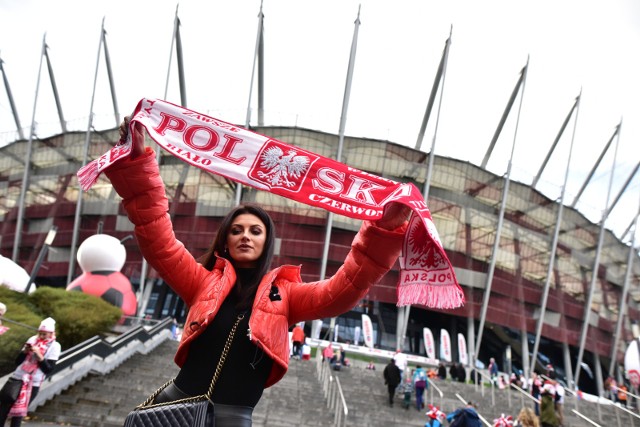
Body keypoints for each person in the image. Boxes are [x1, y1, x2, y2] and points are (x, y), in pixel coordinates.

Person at [105, 116, 410, 426]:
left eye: (255, 230)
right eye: (236, 230)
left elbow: (343, 288)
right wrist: (135, 167)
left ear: (267, 242)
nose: (245, 236)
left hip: (233, 419)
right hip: (174, 411)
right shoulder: (202, 281)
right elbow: (159, 241)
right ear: (225, 240)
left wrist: (383, 230)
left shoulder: (287, 295)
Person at [0, 317, 62, 427]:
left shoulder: (55, 346)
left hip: (33, 383)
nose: (41, 336)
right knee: (3, 406)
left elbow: (48, 369)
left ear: (52, 333)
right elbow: (17, 362)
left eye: (45, 334)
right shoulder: (32, 339)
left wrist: (40, 356)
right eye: (40, 333)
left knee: (19, 413)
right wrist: (25, 352)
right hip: (17, 378)